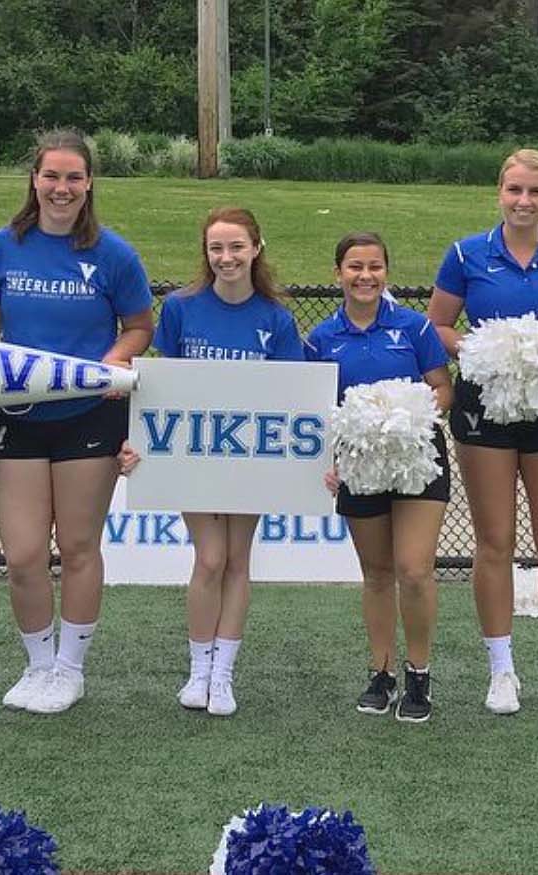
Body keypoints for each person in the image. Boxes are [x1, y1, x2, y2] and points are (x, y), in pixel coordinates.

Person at [0, 129, 154, 715]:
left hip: (88, 417)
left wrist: (111, 363)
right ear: (34, 180)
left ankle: (70, 668)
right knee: (21, 555)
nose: (61, 188)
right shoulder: (3, 246)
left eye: (73, 177)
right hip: (18, 414)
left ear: (89, 183)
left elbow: (139, 325)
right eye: (51, 176)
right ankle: (38, 665)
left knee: (76, 547)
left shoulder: (113, 254)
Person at [426, 148, 538, 715]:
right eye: (514, 191)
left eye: (535, 192)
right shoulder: (465, 254)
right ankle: (501, 669)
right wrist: (487, 353)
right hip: (484, 406)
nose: (524, 202)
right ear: (499, 194)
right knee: (495, 543)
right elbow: (437, 325)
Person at [126, 206, 303, 717]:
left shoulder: (277, 318)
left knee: (238, 560)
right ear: (206, 253)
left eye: (236, 247)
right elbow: (163, 385)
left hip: (250, 460)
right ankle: (198, 670)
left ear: (256, 248)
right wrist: (142, 440)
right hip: (195, 457)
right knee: (209, 558)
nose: (226, 258)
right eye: (216, 248)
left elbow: (289, 398)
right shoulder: (182, 307)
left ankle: (223, 676)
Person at [303, 231, 454, 723]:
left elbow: (441, 389)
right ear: (338, 274)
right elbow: (313, 411)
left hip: (416, 460)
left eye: (374, 267)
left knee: (413, 569)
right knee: (376, 575)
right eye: (354, 267)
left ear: (386, 271)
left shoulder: (415, 328)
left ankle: (420, 672)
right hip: (360, 466)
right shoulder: (321, 339)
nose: (364, 276)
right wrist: (329, 459)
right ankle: (382, 673)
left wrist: (411, 419)